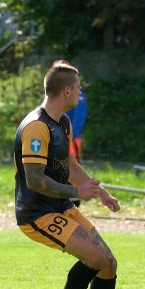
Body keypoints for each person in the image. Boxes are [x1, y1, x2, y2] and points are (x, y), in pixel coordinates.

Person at [14, 61, 121, 289]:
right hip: (37, 213)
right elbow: (35, 180)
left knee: (109, 262)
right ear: (65, 91)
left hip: (60, 206)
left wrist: (98, 191)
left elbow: (69, 164)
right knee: (96, 257)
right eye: (78, 88)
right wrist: (77, 193)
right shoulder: (36, 127)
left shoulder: (63, 122)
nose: (80, 93)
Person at [54, 60, 88, 206]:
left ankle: (74, 201)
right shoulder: (54, 93)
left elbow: (79, 117)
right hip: (58, 137)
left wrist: (71, 136)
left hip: (71, 138)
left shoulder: (77, 93)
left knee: (72, 167)